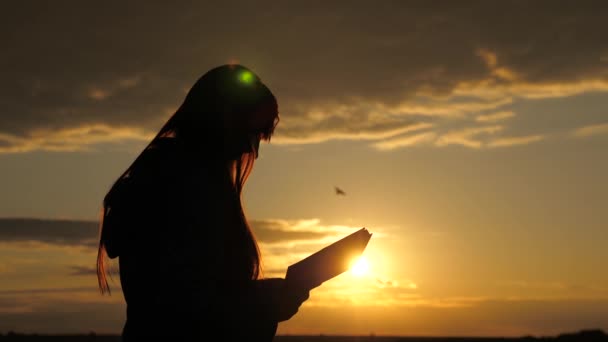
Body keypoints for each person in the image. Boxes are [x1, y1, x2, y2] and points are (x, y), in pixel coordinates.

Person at [95, 64, 310, 341]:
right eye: (249, 134)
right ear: (220, 123)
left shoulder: (164, 180)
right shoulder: (178, 188)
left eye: (258, 138)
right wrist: (264, 302)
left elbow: (203, 291)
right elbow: (182, 309)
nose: (250, 149)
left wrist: (260, 297)